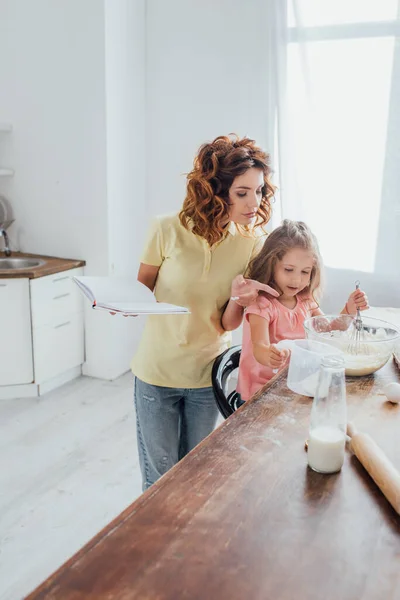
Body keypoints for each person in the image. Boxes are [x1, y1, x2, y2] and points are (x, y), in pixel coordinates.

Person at [131, 134, 276, 490]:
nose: (253, 202)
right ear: (215, 190)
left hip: (205, 373)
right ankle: (157, 543)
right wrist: (122, 306)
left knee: (194, 472)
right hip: (157, 371)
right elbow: (141, 289)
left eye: (258, 191)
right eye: (242, 192)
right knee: (159, 476)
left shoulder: (251, 242)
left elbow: (226, 323)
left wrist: (239, 299)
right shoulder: (166, 228)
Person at [237, 219, 369, 401]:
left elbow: (329, 329)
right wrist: (271, 356)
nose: (296, 280)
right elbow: (259, 347)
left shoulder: (305, 300)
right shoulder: (261, 304)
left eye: (305, 272)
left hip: (296, 383)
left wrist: (350, 309)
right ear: (270, 264)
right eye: (289, 270)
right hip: (263, 391)